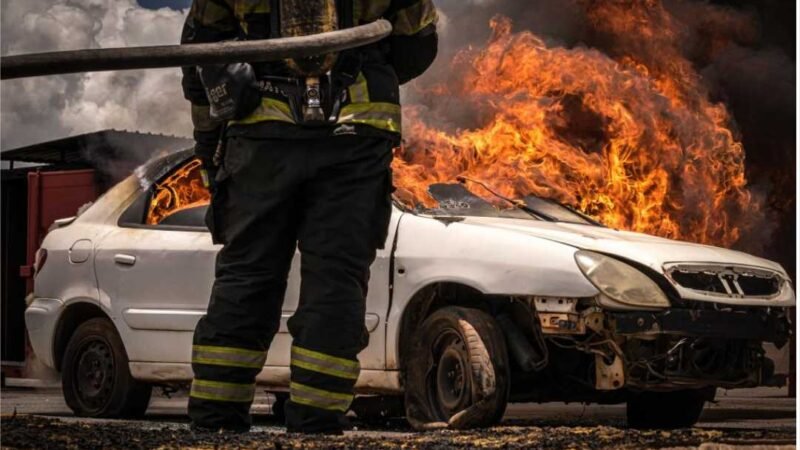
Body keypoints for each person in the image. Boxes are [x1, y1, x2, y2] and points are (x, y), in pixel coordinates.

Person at [180, 0, 438, 434]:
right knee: (336, 281)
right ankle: (316, 424)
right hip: (354, 136)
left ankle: (215, 422)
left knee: (247, 276)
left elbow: (200, 58)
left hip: (260, 138)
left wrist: (208, 147)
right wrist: (362, 63)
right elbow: (417, 44)